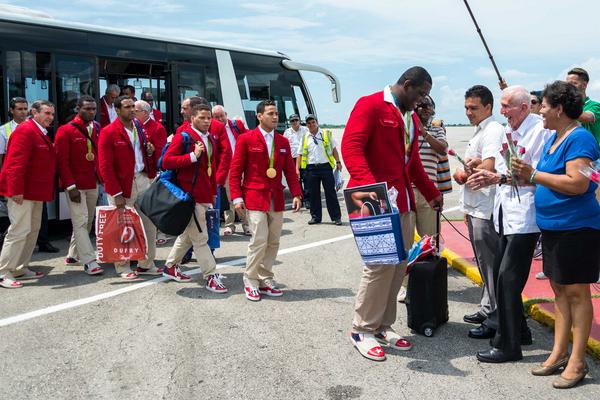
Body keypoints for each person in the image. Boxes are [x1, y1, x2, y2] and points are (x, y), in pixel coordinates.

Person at [342, 66, 443, 361]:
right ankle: (362, 329)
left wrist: (431, 192)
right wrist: (373, 192)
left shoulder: (410, 118)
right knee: (378, 267)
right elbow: (352, 149)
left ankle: (383, 325)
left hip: (401, 201)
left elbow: (410, 164)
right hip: (371, 199)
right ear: (407, 84)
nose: (422, 102)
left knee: (399, 266)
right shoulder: (370, 104)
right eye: (421, 94)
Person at [512, 80, 600, 389]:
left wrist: (533, 174)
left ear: (559, 109)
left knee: (577, 293)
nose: (540, 110)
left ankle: (578, 361)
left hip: (576, 229)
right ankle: (559, 353)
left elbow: (578, 183)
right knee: (560, 292)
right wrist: (525, 178)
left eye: (545, 105)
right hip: (553, 228)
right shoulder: (554, 138)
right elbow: (549, 180)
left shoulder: (579, 140)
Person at [466, 85, 551, 363]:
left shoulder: (539, 131)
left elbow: (534, 174)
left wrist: (497, 179)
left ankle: (508, 344)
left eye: (506, 106)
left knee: (508, 281)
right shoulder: (510, 130)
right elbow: (505, 168)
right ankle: (520, 331)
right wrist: (487, 170)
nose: (502, 112)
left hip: (525, 219)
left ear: (524, 108)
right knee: (505, 280)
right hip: (506, 216)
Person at [229, 100, 302, 302]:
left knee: (273, 241)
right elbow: (235, 172)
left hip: (276, 197)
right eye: (270, 113)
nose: (275, 117)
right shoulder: (246, 139)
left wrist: (296, 194)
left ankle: (265, 277)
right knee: (259, 239)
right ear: (259, 116)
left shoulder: (283, 142)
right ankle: (250, 280)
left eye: (276, 113)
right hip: (254, 197)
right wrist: (236, 197)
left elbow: (290, 171)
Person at [161, 104, 228, 292]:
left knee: (188, 235)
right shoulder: (184, 136)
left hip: (204, 194)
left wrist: (213, 193)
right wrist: (191, 156)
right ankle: (210, 275)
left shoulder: (211, 138)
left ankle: (170, 266)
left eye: (209, 118)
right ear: (193, 118)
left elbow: (211, 168)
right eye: (202, 118)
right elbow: (167, 161)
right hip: (188, 196)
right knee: (200, 237)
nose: (207, 121)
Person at [454, 85, 503, 339]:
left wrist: (464, 172)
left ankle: (495, 317)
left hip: (486, 208)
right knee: (484, 264)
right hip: (475, 206)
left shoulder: (493, 130)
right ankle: (487, 308)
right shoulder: (480, 131)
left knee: (491, 264)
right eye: (466, 107)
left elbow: (490, 165)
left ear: (488, 107)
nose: (468, 112)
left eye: (473, 108)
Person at [98, 96, 161, 279]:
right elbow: (105, 167)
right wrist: (115, 193)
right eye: (127, 107)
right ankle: (123, 266)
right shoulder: (108, 132)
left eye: (133, 106)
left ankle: (146, 263)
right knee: (122, 227)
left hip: (142, 179)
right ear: (117, 110)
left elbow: (142, 153)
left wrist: (149, 151)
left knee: (148, 224)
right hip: (122, 185)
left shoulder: (139, 128)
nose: (132, 109)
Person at [0, 100, 56, 288]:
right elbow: (14, 164)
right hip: (22, 193)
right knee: (18, 231)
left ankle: (20, 267)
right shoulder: (25, 131)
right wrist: (16, 191)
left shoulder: (38, 131)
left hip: (34, 192)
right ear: (35, 112)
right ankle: (4, 271)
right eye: (47, 113)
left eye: (52, 114)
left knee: (32, 230)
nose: (51, 117)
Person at [55, 95, 103, 275]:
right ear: (78, 109)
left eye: (93, 109)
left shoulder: (97, 128)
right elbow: (62, 162)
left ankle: (72, 254)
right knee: (81, 221)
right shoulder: (65, 130)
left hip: (93, 182)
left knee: (87, 221)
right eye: (87, 109)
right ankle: (89, 260)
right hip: (75, 186)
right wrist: (70, 187)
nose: (91, 112)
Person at [412, 95, 449, 237]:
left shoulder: (437, 129)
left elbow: (442, 148)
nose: (425, 109)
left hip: (428, 192)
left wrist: (424, 132)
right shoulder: (406, 128)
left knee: (430, 239)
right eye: (420, 105)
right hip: (408, 189)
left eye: (429, 106)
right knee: (405, 240)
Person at [296, 114, 342, 225]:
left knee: (330, 193)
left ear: (317, 122)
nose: (311, 124)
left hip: (325, 167)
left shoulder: (326, 134)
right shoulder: (305, 137)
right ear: (306, 125)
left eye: (313, 122)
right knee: (313, 194)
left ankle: (336, 217)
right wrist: (297, 169)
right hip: (311, 169)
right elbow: (300, 153)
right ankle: (316, 217)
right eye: (308, 123)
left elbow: (334, 149)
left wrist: (338, 162)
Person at [211, 104, 250, 236]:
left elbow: (249, 139)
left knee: (243, 196)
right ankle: (229, 225)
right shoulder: (212, 130)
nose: (219, 119)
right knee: (228, 198)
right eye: (216, 117)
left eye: (221, 116)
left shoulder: (237, 125)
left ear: (226, 115)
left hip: (241, 166)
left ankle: (247, 225)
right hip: (226, 168)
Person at [283, 114, 310, 207]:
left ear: (299, 120)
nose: (294, 122)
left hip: (304, 158)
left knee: (306, 179)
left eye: (296, 120)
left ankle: (307, 200)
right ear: (290, 122)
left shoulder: (305, 130)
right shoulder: (287, 132)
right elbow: (284, 145)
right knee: (296, 180)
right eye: (292, 121)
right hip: (292, 159)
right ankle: (300, 199)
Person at [134, 100, 167, 166]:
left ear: (145, 113)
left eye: (136, 111)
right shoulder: (133, 126)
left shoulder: (158, 128)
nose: (133, 113)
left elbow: (160, 154)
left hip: (148, 170)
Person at [0, 97, 28, 168]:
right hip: (13, 170)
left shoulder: (35, 126)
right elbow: (0, 155)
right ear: (12, 110)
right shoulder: (3, 130)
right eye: (20, 109)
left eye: (25, 109)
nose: (23, 112)